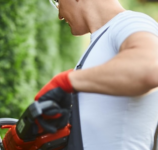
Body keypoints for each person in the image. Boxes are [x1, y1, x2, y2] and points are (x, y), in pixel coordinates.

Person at [34, 0, 158, 150]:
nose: (59, 14)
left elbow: (149, 68)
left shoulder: (130, 22)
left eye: (57, 1)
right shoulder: (101, 39)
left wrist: (65, 82)